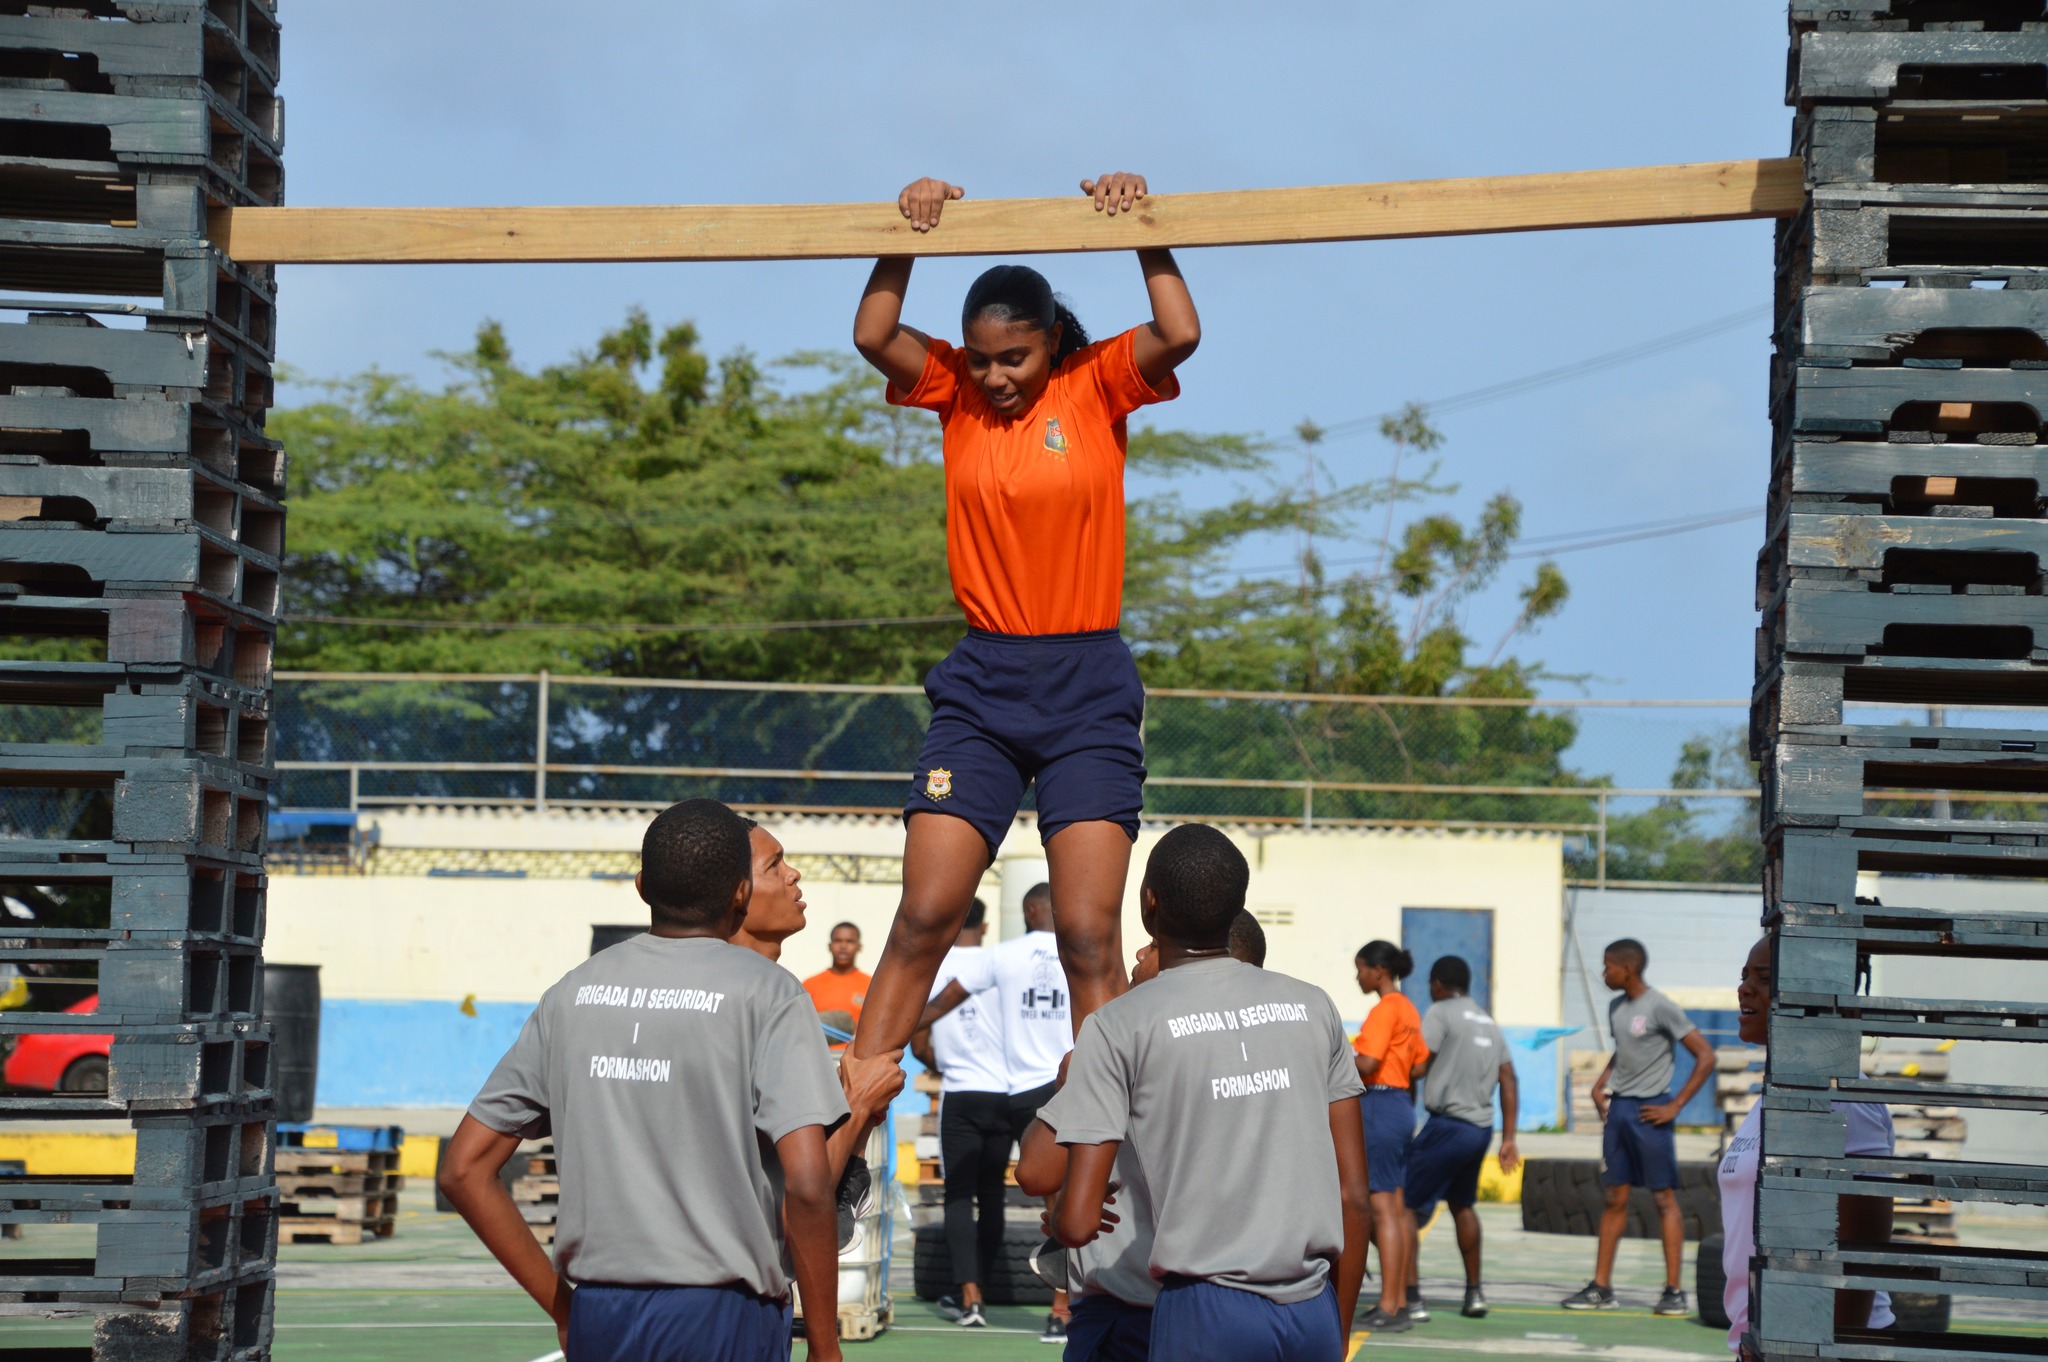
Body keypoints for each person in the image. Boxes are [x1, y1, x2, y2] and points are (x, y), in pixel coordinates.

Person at [842, 170, 1202, 1107]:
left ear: (1053, 343)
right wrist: (906, 227)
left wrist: (1145, 224)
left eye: (1017, 357)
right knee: (925, 915)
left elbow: (1181, 332)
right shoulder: (954, 392)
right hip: (984, 681)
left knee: (1088, 934)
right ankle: (847, 1111)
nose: (998, 377)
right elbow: (874, 334)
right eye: (985, 357)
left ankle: (1110, 1144)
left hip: (1086, 681)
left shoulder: (1095, 386)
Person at [437, 799, 851, 1362]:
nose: (792, 875)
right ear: (739, 892)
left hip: (601, 1315)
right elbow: (806, 1183)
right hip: (724, 1316)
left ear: (641, 888)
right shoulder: (769, 994)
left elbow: (463, 1169)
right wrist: (825, 1347)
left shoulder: (572, 992)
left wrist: (564, 1309)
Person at [1040, 825, 1372, 1362]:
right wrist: (1336, 1335)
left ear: (1149, 904)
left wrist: (1061, 1217)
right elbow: (1354, 1198)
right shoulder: (1314, 1007)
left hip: (1206, 1313)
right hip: (1312, 1306)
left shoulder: (1117, 1025)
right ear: (1238, 906)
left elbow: (1078, 1223)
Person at [1012, 906, 1271, 1362]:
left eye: (1154, 944)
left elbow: (1034, 1171)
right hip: (1245, 1305)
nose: (1140, 951)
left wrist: (1072, 1080)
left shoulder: (1124, 1041)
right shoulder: (1269, 1051)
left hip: (1133, 1308)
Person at [1718, 936, 1893, 1356]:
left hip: (1821, 1344)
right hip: (1766, 1336)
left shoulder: (1844, 1097)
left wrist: (1823, 1349)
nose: (1745, 989)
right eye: (1744, 977)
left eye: (1763, 978)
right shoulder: (1775, 1092)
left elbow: (1862, 1246)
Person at [733, 818, 903, 1250]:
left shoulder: (780, 988)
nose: (794, 873)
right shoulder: (783, 995)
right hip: (736, 1273)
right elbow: (808, 1192)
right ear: (736, 891)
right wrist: (859, 1102)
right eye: (775, 866)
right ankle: (850, 1165)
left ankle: (852, 1166)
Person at [920, 881, 1077, 1341]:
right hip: (1069, 1083)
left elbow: (944, 1003)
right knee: (1067, 1196)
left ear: (1029, 910)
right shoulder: (1082, 952)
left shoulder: (1002, 956)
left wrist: (890, 1033)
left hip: (1021, 1091)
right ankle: (1062, 1307)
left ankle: (975, 1295)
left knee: (998, 1192)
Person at [1561, 938, 1715, 1315]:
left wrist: (1675, 1105)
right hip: (1620, 1112)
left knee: (1664, 1199)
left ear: (1626, 969)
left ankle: (1674, 1291)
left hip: (1651, 1111)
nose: (1603, 973)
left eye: (1607, 966)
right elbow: (1623, 1050)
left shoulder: (1660, 1006)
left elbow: (1706, 1056)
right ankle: (1601, 1287)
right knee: (1614, 1198)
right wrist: (1600, 1083)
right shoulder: (1616, 1007)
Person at [908, 897, 1010, 1330]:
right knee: (992, 1194)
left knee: (957, 1195)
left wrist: (938, 1057)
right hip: (1005, 1092)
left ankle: (970, 1298)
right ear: (984, 928)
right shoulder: (999, 963)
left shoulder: (933, 965)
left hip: (961, 1092)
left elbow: (917, 1036)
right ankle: (981, 1283)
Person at [1406, 955, 1520, 1321]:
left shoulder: (1439, 1013)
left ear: (1438, 984)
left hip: (1446, 1126)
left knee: (1402, 1208)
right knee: (1462, 1206)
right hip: (1480, 1129)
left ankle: (1411, 1296)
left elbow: (1420, 1064)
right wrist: (1509, 1138)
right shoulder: (1489, 1022)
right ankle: (1474, 1293)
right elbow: (1509, 1079)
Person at [1351, 940, 1425, 1332]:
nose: (1358, 976)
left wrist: (1329, 1056)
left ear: (1377, 971)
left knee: (1382, 1210)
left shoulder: (1384, 1010)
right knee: (1393, 1208)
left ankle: (1390, 1305)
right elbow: (1420, 1064)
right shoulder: (1409, 1008)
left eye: (1360, 968)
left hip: (1379, 1104)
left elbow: (1368, 1061)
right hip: (1400, 1104)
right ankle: (1395, 1300)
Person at [804, 922, 870, 1043]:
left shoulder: (871, 985)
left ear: (859, 946)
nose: (843, 946)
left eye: (849, 941)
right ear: (829, 946)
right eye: (838, 941)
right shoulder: (809, 984)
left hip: (856, 1058)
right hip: (819, 1055)